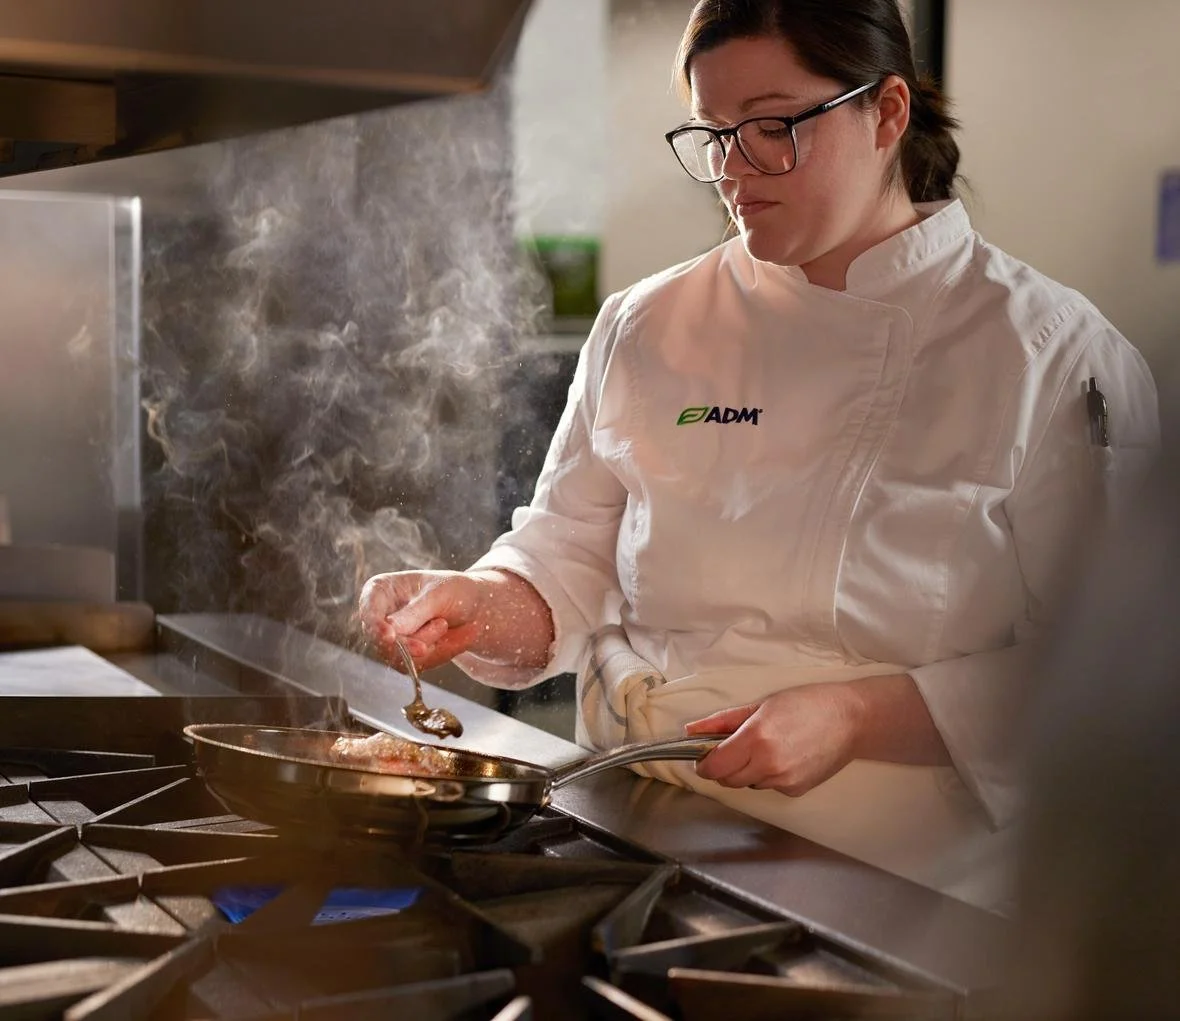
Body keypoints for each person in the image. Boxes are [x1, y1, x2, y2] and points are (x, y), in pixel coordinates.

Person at [359, 0, 1159, 911]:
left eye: (774, 127)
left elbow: (1100, 681)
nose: (735, 172)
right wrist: (482, 604)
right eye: (714, 133)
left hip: (898, 886)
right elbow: (570, 554)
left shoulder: (1052, 355)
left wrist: (858, 716)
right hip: (629, 829)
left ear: (886, 112)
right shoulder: (647, 323)